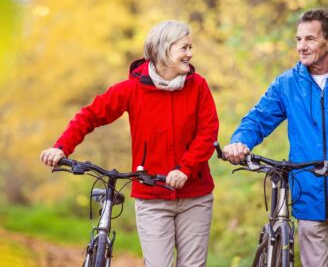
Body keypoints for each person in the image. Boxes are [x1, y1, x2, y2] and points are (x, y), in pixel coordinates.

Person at [40, 20, 219, 267]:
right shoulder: (133, 89)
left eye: (190, 47)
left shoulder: (197, 86)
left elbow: (208, 133)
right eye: (184, 48)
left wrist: (185, 168)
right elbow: (91, 115)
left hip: (195, 196)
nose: (190, 54)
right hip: (152, 196)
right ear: (163, 49)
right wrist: (61, 147)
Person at [222, 8, 328, 267]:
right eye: (298, 39)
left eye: (310, 39)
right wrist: (240, 142)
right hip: (310, 194)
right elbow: (257, 119)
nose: (302, 46)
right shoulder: (287, 84)